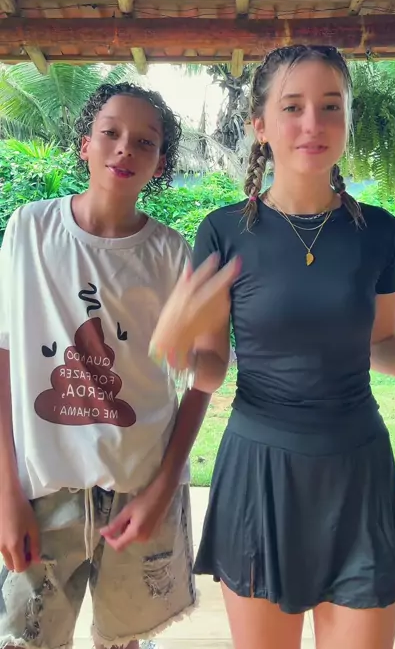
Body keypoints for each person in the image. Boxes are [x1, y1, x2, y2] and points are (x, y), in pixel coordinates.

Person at [150, 45, 395, 649]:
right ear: (260, 126)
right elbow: (212, 368)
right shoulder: (223, 231)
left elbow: (381, 344)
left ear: (348, 120)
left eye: (331, 106)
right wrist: (177, 348)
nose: (313, 123)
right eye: (293, 107)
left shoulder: (377, 231)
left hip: (358, 473)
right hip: (260, 474)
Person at [0, 81, 236, 649]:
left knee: (126, 641)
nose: (126, 147)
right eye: (111, 133)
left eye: (145, 141)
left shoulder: (172, 253)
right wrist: (6, 493)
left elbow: (203, 380)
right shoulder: (29, 230)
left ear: (161, 164)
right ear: (85, 144)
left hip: (140, 488)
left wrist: (162, 490)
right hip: (40, 491)